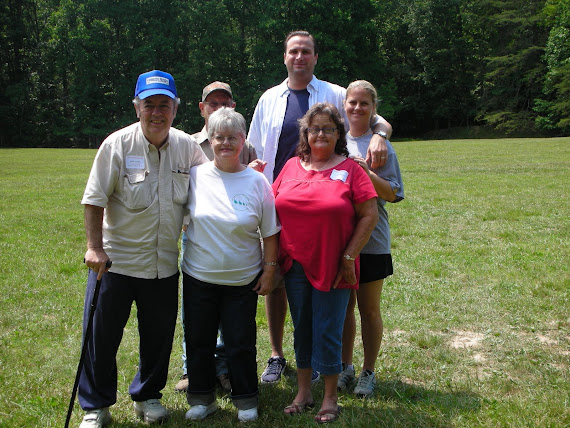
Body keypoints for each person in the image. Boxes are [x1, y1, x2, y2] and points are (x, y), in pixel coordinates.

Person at [248, 30, 393, 384]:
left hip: (330, 204)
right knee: (278, 279)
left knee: (330, 290)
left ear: (315, 57)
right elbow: (251, 146)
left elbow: (370, 113)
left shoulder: (334, 93)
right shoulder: (269, 98)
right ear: (284, 57)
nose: (300, 57)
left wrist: (380, 134)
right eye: (293, 51)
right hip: (281, 202)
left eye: (306, 52)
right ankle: (278, 355)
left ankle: (333, 364)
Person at [79, 70, 208, 428]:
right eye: (148, 104)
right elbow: (93, 199)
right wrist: (94, 247)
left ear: (175, 109)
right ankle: (95, 405)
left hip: (163, 266)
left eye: (163, 105)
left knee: (158, 338)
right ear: (137, 107)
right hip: (115, 263)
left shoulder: (188, 147)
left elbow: (211, 190)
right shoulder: (116, 145)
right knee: (101, 338)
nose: (157, 113)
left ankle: (148, 396)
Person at [272, 103, 378, 423]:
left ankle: (330, 397)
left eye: (328, 129)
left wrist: (349, 256)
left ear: (338, 134)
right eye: (314, 128)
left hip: (335, 265)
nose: (320, 134)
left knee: (329, 330)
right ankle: (304, 392)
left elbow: (369, 215)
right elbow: (272, 210)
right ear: (305, 133)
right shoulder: (290, 166)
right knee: (302, 327)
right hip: (295, 265)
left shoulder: (352, 169)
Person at [181, 108, 280, 422]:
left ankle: (246, 399)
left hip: (243, 281)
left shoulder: (256, 181)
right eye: (218, 137)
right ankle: (201, 398)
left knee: (240, 343)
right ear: (210, 141)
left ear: (243, 141)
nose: (225, 143)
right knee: (199, 341)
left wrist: (269, 270)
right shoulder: (195, 176)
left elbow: (271, 231)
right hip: (199, 276)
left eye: (232, 137)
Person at [175, 81, 258, 394]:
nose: (219, 107)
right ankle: (192, 371)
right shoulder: (190, 144)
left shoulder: (244, 144)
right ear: (201, 109)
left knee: (231, 316)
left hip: (235, 236)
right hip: (199, 234)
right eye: (213, 103)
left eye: (225, 102)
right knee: (198, 314)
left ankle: (223, 370)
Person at [338, 81, 404, 397]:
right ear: (344, 104)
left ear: (373, 108)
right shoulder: (334, 140)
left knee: (369, 309)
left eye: (364, 104)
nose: (357, 108)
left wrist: (367, 173)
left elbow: (394, 193)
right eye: (352, 102)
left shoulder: (381, 146)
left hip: (373, 241)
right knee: (343, 308)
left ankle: (368, 371)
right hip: (339, 241)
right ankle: (345, 367)